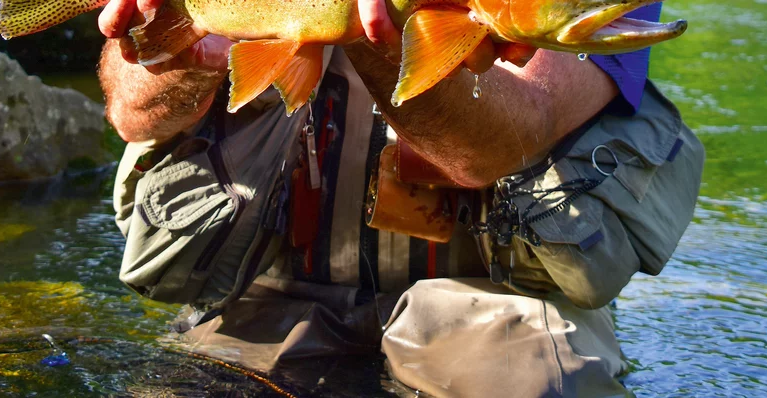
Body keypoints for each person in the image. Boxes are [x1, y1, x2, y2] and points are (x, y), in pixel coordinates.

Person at [98, 0, 705, 396]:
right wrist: (177, 43)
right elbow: (131, 112)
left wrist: (362, 25)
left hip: (498, 316)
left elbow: (505, 139)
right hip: (265, 304)